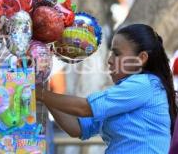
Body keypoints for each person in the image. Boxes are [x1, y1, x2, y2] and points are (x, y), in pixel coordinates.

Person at [36, 24, 177, 154]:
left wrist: (41, 94)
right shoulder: (130, 91)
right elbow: (76, 128)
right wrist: (43, 88)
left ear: (141, 58)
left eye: (117, 53)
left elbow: (84, 108)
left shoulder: (146, 84)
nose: (109, 60)